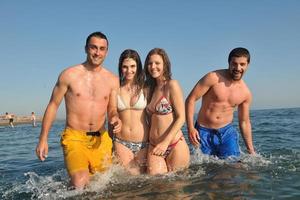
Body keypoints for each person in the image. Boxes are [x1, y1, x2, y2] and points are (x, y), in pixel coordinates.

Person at [35, 31, 121, 189]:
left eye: (102, 49)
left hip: (101, 139)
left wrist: (115, 118)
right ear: (86, 48)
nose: (97, 52)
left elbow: (112, 109)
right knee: (80, 182)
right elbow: (53, 105)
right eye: (93, 47)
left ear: (107, 51)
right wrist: (43, 139)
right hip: (75, 137)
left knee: (105, 184)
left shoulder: (113, 80)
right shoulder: (69, 75)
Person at [185, 47, 255, 159]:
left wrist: (251, 150)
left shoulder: (245, 93)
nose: (238, 68)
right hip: (203, 132)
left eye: (242, 64)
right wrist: (190, 129)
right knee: (204, 170)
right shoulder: (213, 78)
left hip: (227, 134)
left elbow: (244, 122)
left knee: (232, 169)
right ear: (229, 63)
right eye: (234, 64)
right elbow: (190, 100)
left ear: (248, 65)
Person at [144, 48, 190, 175]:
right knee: (157, 186)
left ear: (165, 64)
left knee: (176, 190)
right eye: (150, 63)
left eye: (157, 63)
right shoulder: (149, 89)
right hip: (154, 146)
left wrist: (165, 143)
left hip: (174, 145)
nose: (153, 67)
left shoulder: (172, 85)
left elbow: (181, 118)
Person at [112, 49, 149, 175]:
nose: (129, 71)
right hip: (121, 142)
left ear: (138, 67)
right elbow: (112, 111)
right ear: (120, 67)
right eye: (125, 67)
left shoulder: (145, 88)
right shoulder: (115, 88)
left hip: (144, 142)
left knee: (143, 182)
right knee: (130, 179)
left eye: (133, 66)